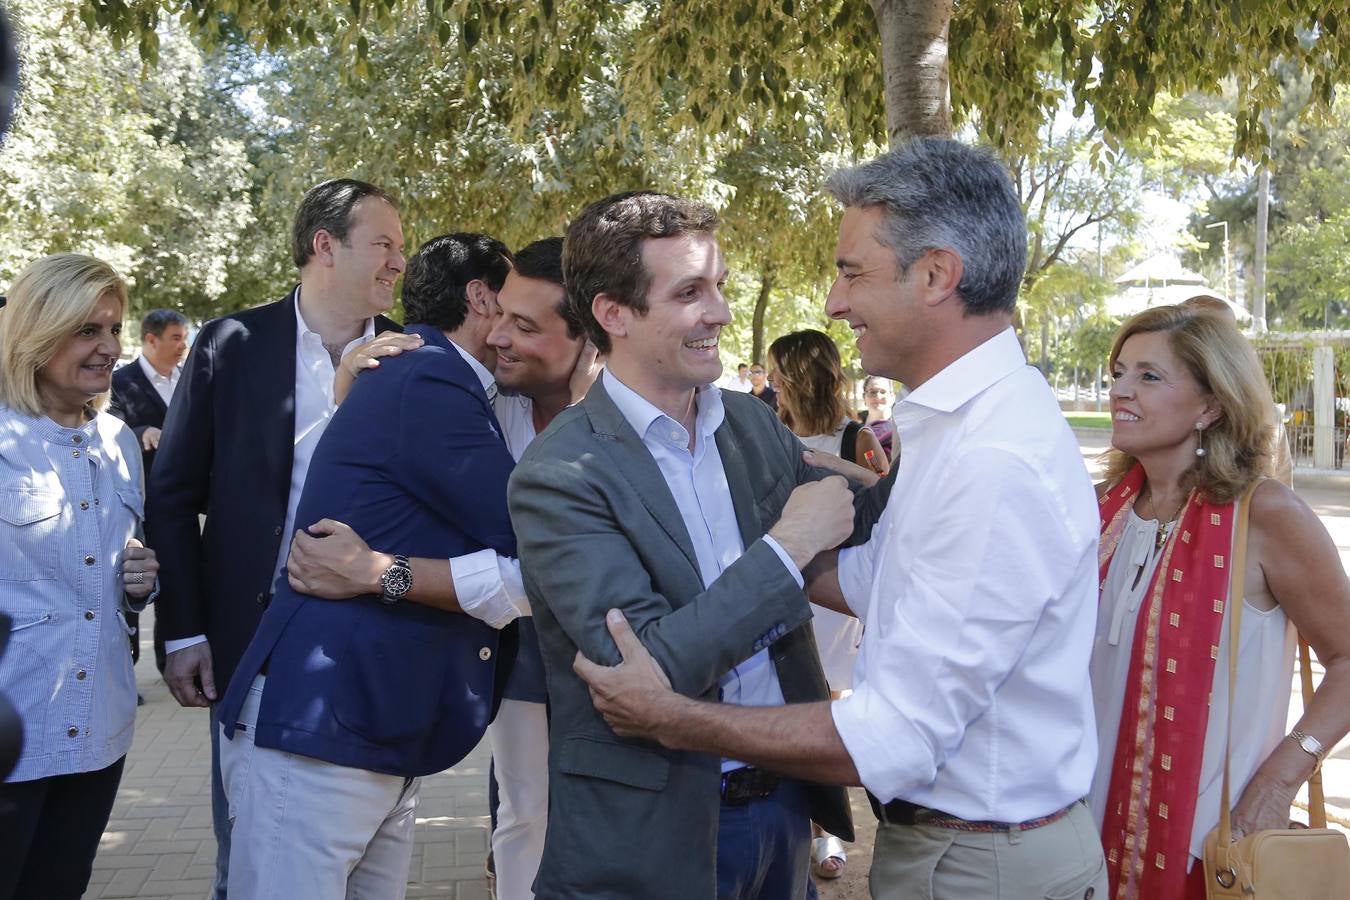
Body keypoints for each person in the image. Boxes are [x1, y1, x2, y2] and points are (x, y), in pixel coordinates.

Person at [572, 139, 1109, 900]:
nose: (833, 302)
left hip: (981, 868)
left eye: (852, 271)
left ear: (935, 275)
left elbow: (895, 738)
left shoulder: (994, 461)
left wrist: (674, 717)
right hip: (960, 853)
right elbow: (877, 582)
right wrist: (754, 550)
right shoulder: (960, 428)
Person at [507, 191, 858, 899]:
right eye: (690, 292)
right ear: (614, 315)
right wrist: (787, 548)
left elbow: (854, 519)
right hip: (652, 836)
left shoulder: (752, 428)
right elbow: (649, 672)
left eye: (720, 285)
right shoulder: (558, 475)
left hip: (784, 814)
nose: (721, 312)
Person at [278, 237, 596, 900]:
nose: (501, 336)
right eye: (501, 314)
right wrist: (346, 397)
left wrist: (382, 572)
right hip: (516, 660)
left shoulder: (619, 426)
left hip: (611, 652)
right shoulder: (477, 398)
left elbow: (551, 565)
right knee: (526, 816)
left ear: (590, 339)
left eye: (526, 326)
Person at [146, 178, 404, 898]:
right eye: (384, 244)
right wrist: (182, 632)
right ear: (326, 246)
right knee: (248, 860)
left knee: (371, 859)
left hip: (374, 645)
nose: (398, 263)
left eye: (402, 249)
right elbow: (172, 497)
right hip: (248, 643)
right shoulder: (231, 343)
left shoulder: (415, 357)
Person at [1092, 304, 1350, 899]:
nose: (1120, 390)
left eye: (1148, 377)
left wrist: (1283, 778)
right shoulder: (1100, 511)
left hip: (1208, 849)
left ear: (1211, 405)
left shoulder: (1264, 516)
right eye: (1118, 373)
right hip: (1082, 834)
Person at [0, 253, 160, 899]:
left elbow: (120, 571)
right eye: (87, 330)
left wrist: (142, 582)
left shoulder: (120, 441)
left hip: (97, 727)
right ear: (38, 334)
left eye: (114, 329)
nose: (109, 349)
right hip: (14, 730)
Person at [767, 328, 883, 881]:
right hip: (781, 586)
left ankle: (828, 827)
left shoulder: (856, 436)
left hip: (837, 590)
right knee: (788, 700)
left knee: (831, 703)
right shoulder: (768, 429)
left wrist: (831, 465)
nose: (770, 383)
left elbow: (887, 495)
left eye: (776, 373)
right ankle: (799, 822)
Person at [108, 307, 189, 671]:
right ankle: (129, 659)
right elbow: (110, 427)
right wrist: (143, 434)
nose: (182, 346)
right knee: (132, 576)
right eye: (175, 338)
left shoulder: (188, 378)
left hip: (179, 501)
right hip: (137, 501)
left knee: (174, 575)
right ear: (151, 340)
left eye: (184, 337)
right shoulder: (119, 381)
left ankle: (171, 654)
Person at [859, 374, 897, 461]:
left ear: (892, 396)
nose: (878, 396)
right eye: (872, 392)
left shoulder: (899, 430)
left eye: (883, 392)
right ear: (864, 397)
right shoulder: (855, 431)